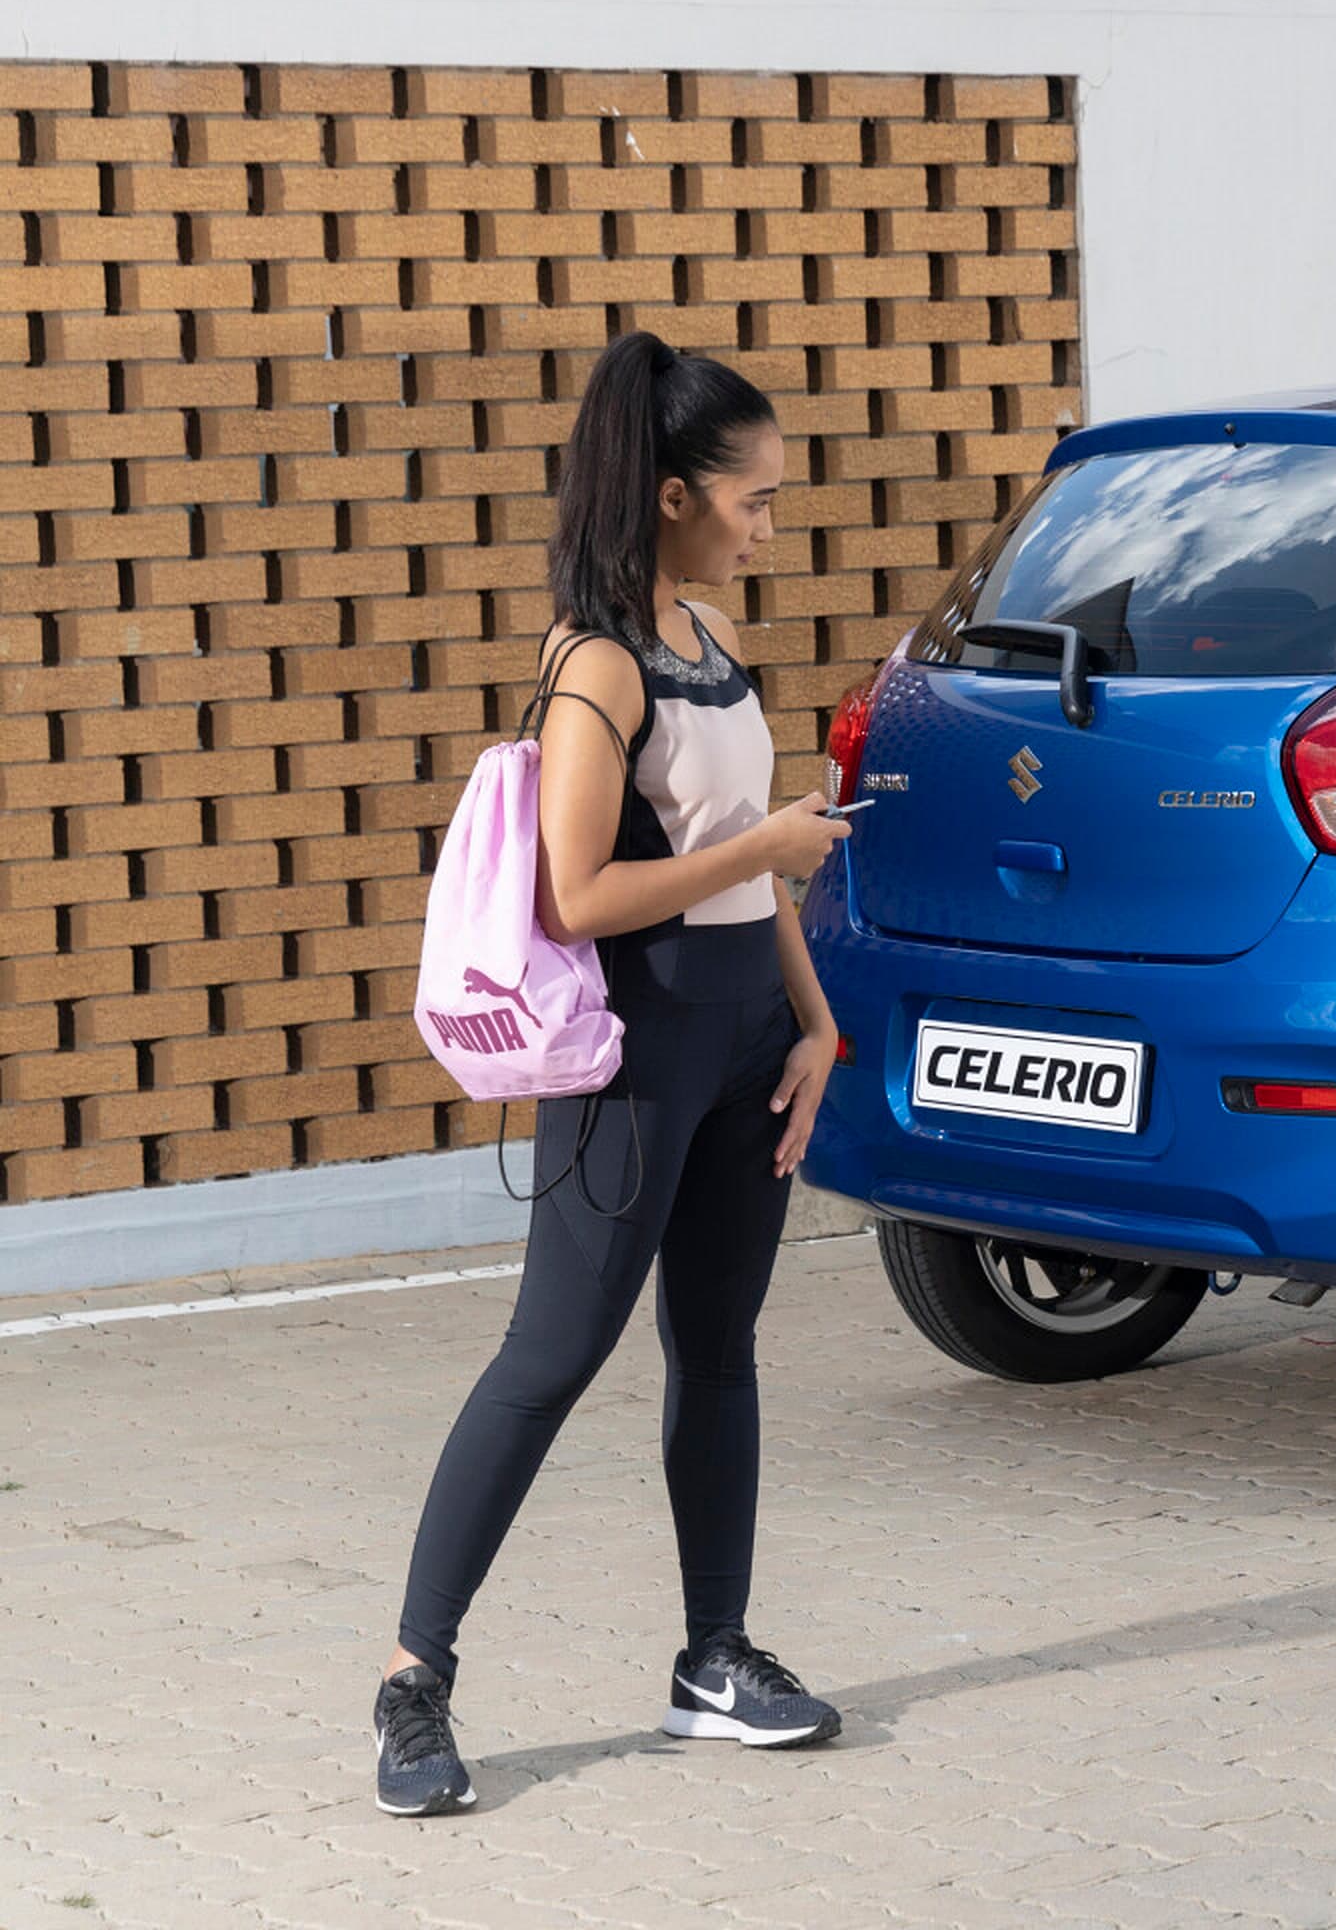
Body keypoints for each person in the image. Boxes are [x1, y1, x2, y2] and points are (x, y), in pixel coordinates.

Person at [371, 330, 855, 1816]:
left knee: (718, 1356)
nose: (770, 524)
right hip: (635, 1056)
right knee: (550, 1360)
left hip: (750, 1052)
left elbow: (751, 870)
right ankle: (410, 1684)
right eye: (752, 499)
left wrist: (817, 1021)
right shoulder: (597, 667)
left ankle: (713, 1661)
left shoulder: (713, 646)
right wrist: (765, 845)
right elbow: (575, 895)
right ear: (666, 496)